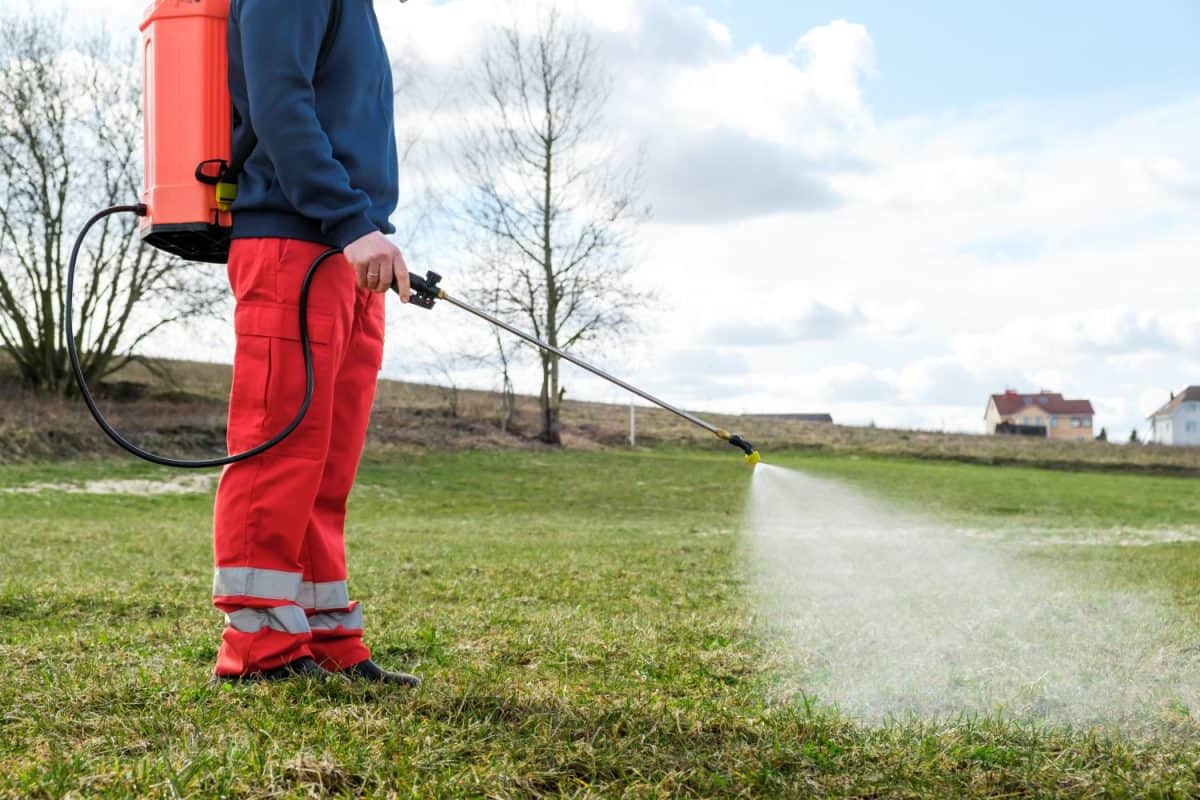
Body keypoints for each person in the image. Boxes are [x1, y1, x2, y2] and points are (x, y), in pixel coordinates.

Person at [210, 0, 418, 685]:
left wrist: (362, 230)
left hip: (345, 249)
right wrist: (349, 221)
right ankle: (258, 649)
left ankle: (327, 637)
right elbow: (279, 103)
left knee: (327, 466)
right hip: (296, 243)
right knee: (281, 450)